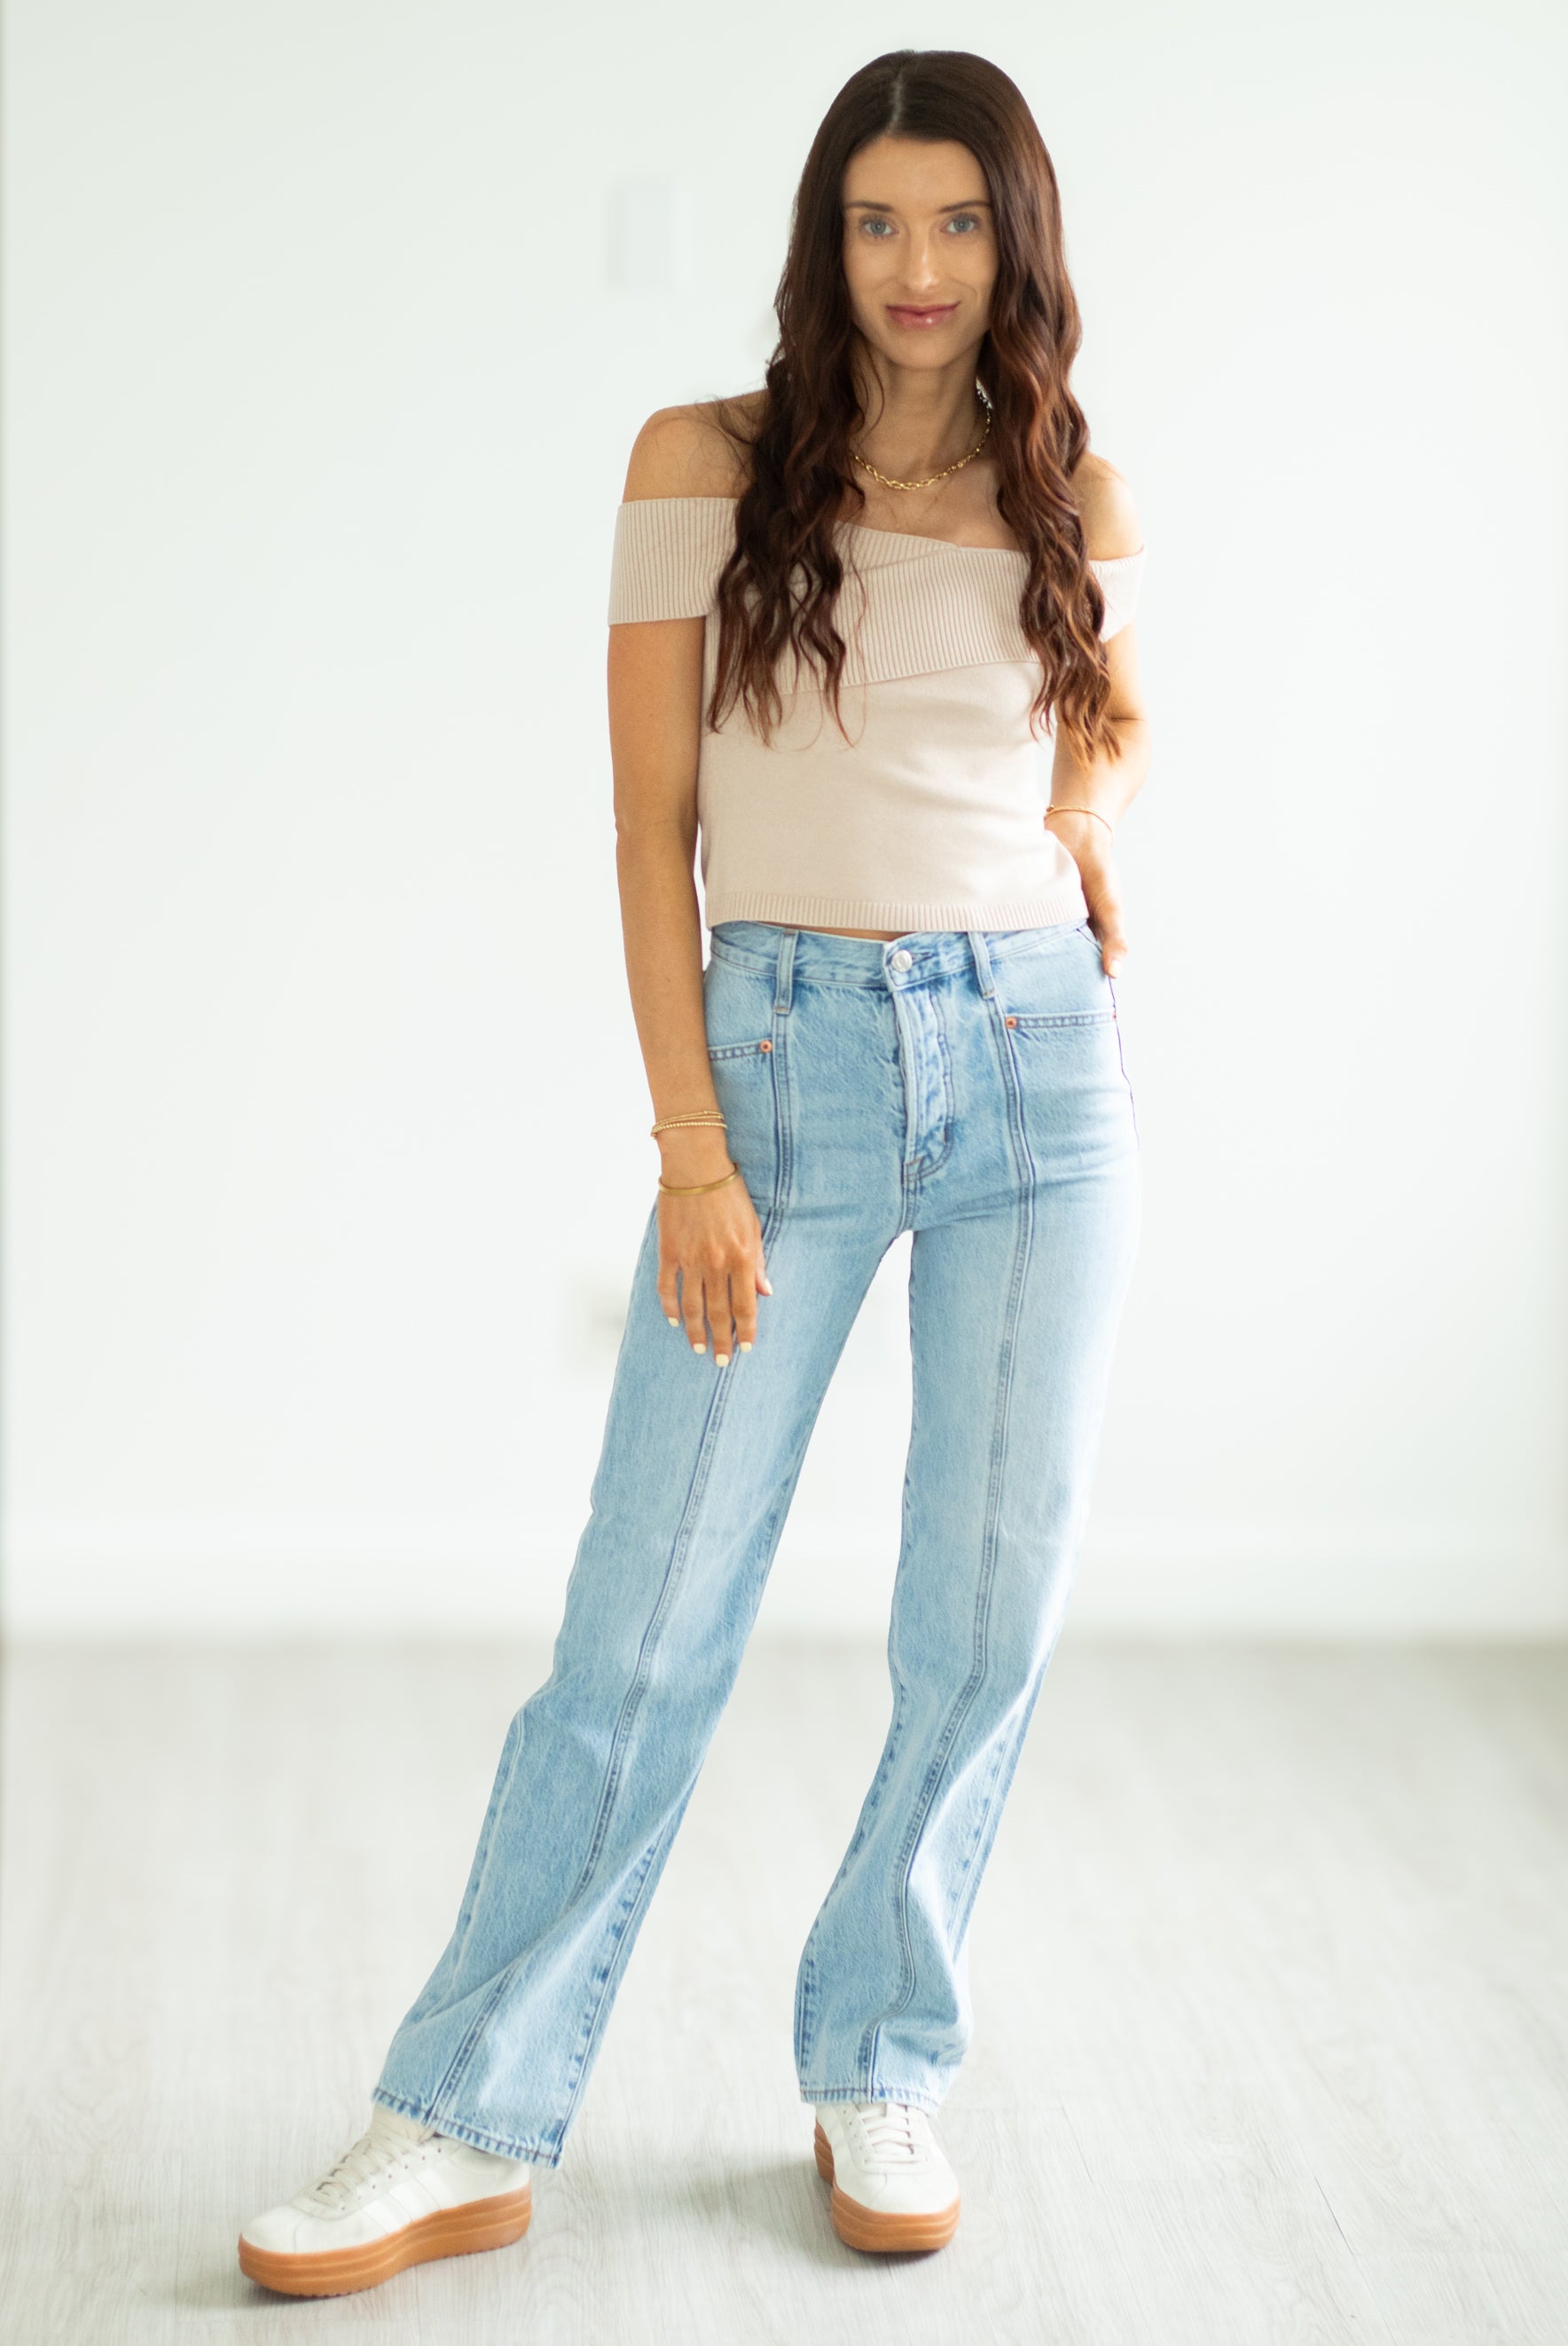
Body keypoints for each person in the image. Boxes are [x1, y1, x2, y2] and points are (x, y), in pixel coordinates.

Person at [237, 44, 1149, 2298]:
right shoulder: (703, 465)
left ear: (1012, 245)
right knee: (641, 1632)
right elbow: (650, 824)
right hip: (784, 1061)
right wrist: (692, 1146)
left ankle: (880, 2055)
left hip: (1041, 1078)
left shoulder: (1074, 495)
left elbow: (1102, 724)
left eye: (958, 223)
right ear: (825, 240)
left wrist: (1091, 841)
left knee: (983, 1619)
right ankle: (459, 2115)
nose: (917, 268)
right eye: (876, 220)